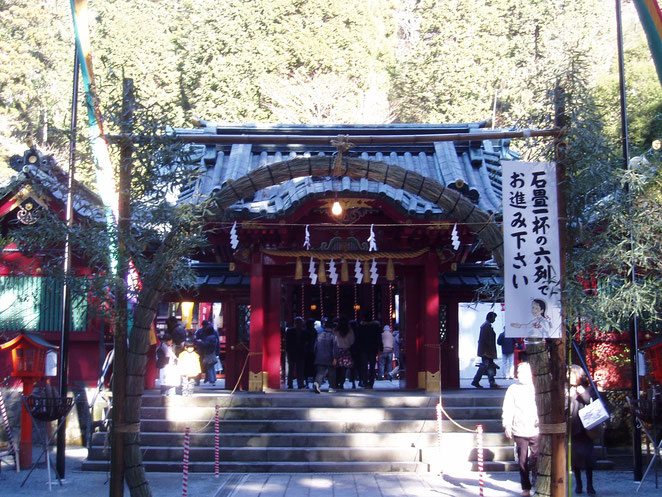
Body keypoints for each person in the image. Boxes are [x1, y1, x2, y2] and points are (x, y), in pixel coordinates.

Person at [502, 362, 539, 497]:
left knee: (536, 456)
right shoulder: (513, 389)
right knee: (522, 460)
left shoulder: (537, 387)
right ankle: (525, 486)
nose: (519, 375)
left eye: (522, 372)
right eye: (518, 373)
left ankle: (536, 474)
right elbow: (508, 407)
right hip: (519, 428)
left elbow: (543, 405)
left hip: (535, 428)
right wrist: (507, 425)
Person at [570, 364, 596, 495]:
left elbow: (589, 401)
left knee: (588, 458)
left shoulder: (588, 389)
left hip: (586, 428)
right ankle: (578, 484)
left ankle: (590, 485)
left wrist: (582, 392)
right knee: (575, 459)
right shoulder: (568, 390)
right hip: (573, 427)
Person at [472, 311, 500, 389]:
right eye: (494, 318)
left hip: (488, 351)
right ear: (490, 317)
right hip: (487, 351)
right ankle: (476, 381)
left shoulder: (486, 326)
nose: (494, 320)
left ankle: (491, 381)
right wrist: (485, 351)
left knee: (489, 366)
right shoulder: (486, 326)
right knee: (485, 366)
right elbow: (484, 340)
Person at [356, 314, 382, 389]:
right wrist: (380, 347)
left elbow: (358, 337)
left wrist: (357, 347)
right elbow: (378, 337)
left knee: (363, 367)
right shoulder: (376, 326)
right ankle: (371, 383)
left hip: (363, 348)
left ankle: (365, 382)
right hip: (372, 348)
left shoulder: (361, 326)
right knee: (372, 367)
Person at [313, 320, 338, 393]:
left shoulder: (319, 335)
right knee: (332, 373)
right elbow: (335, 348)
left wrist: (316, 355)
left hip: (320, 356)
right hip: (330, 357)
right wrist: (335, 357)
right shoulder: (333, 336)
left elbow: (315, 347)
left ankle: (317, 383)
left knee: (320, 372)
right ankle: (331, 387)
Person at [285, 317, 306, 389]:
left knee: (297, 368)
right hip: (293, 352)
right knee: (294, 368)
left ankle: (298, 383)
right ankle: (293, 383)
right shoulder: (290, 331)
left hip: (299, 352)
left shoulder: (303, 331)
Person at [334, 316, 355, 390]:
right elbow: (352, 341)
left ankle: (336, 382)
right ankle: (341, 383)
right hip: (346, 350)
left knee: (337, 368)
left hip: (337, 350)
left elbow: (334, 340)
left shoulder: (336, 331)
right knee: (344, 368)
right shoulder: (349, 331)